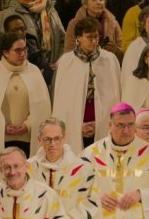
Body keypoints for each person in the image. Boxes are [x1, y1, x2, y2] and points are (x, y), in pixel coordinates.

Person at [0, 27, 53, 190]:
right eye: (18, 50)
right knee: (4, 181)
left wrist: (27, 125)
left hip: (28, 137)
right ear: (5, 52)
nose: (23, 54)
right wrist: (3, 126)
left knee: (25, 180)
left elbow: (41, 107)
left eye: (25, 50)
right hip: (0, 138)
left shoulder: (34, 72)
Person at [52, 18, 123, 148]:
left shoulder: (110, 60)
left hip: (103, 120)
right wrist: (76, 124)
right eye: (89, 37)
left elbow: (114, 97)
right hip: (76, 121)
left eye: (96, 37)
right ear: (79, 37)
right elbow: (62, 102)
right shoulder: (66, 62)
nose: (94, 41)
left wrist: (100, 124)